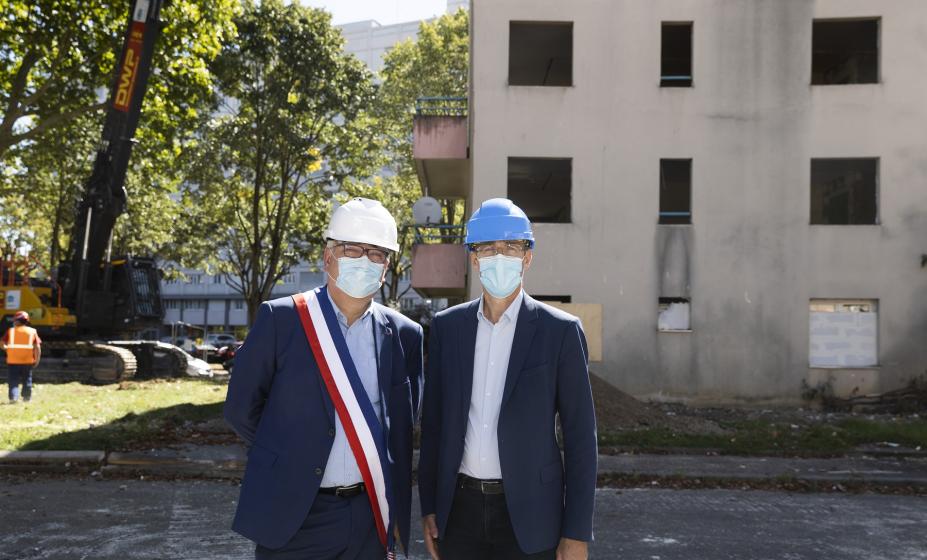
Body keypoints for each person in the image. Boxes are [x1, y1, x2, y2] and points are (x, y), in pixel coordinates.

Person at [225, 198, 424, 560]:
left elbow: (402, 426)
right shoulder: (281, 319)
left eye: (377, 253)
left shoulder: (405, 335)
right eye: (351, 249)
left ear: (387, 267)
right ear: (328, 256)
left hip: (369, 516)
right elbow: (241, 409)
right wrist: (291, 456)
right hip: (295, 512)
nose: (364, 260)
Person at [418, 198, 597, 560]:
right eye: (488, 248)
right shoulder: (448, 329)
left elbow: (581, 438)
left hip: (532, 516)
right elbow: (434, 426)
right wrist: (429, 507)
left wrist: (576, 533)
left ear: (527, 257)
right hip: (459, 514)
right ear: (474, 258)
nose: (499, 256)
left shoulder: (560, 332)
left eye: (511, 247)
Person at [2, 311, 41, 404]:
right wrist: (37, 359)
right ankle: (26, 398)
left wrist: (8, 349)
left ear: (16, 320)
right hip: (27, 361)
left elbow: (2, 344)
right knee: (27, 379)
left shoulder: (10, 331)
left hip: (13, 361)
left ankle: (13, 398)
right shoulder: (32, 331)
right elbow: (37, 347)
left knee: (13, 380)